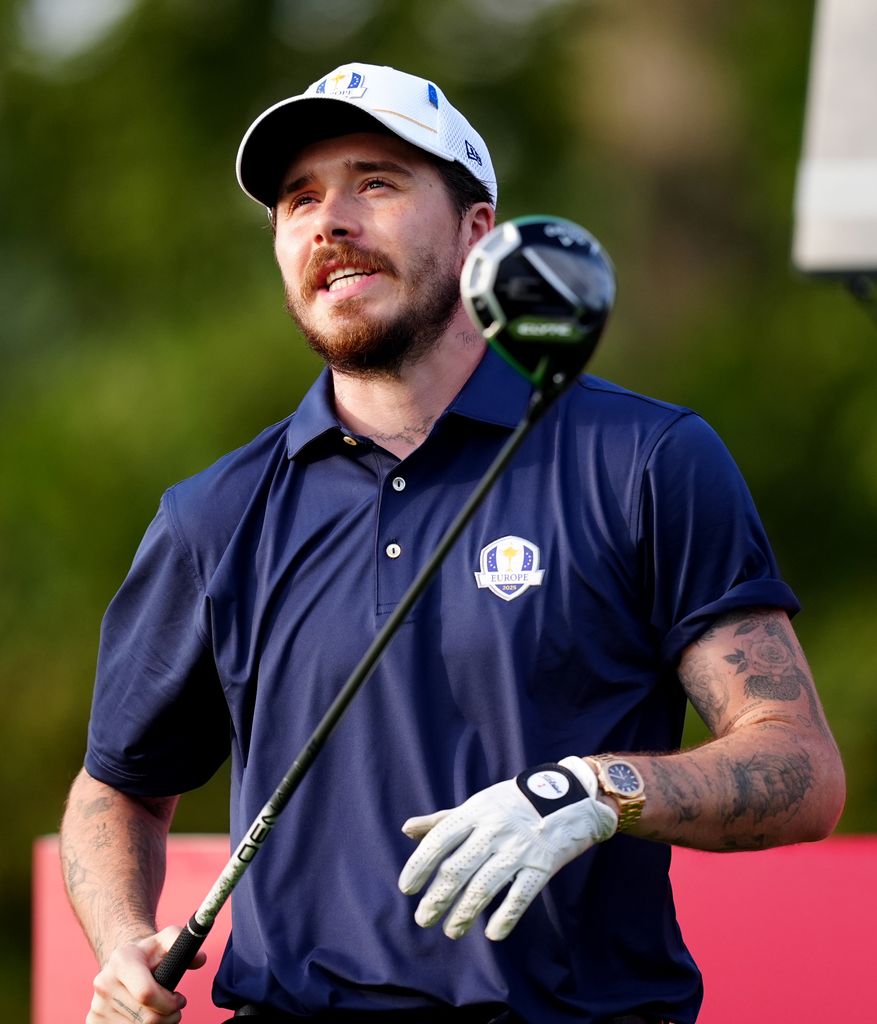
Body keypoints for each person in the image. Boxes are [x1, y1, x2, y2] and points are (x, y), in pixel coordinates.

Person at [60, 61, 845, 1024]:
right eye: (299, 200)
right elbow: (117, 789)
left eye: (374, 183)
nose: (329, 221)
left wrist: (594, 790)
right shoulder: (213, 515)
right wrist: (121, 946)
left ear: (478, 232)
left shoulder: (643, 459)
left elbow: (800, 768)